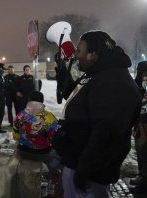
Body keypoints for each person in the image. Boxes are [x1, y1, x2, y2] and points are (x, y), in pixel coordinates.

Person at [53, 31, 141, 197]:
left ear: (93, 54)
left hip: (88, 171)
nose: (76, 55)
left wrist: (85, 170)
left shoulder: (113, 82)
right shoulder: (99, 73)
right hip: (78, 161)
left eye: (79, 51)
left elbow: (105, 134)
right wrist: (63, 70)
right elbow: (76, 97)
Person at [130, 69, 147, 193]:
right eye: (144, 79)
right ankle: (141, 176)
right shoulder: (141, 93)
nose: (144, 82)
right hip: (140, 127)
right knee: (140, 155)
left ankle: (144, 181)